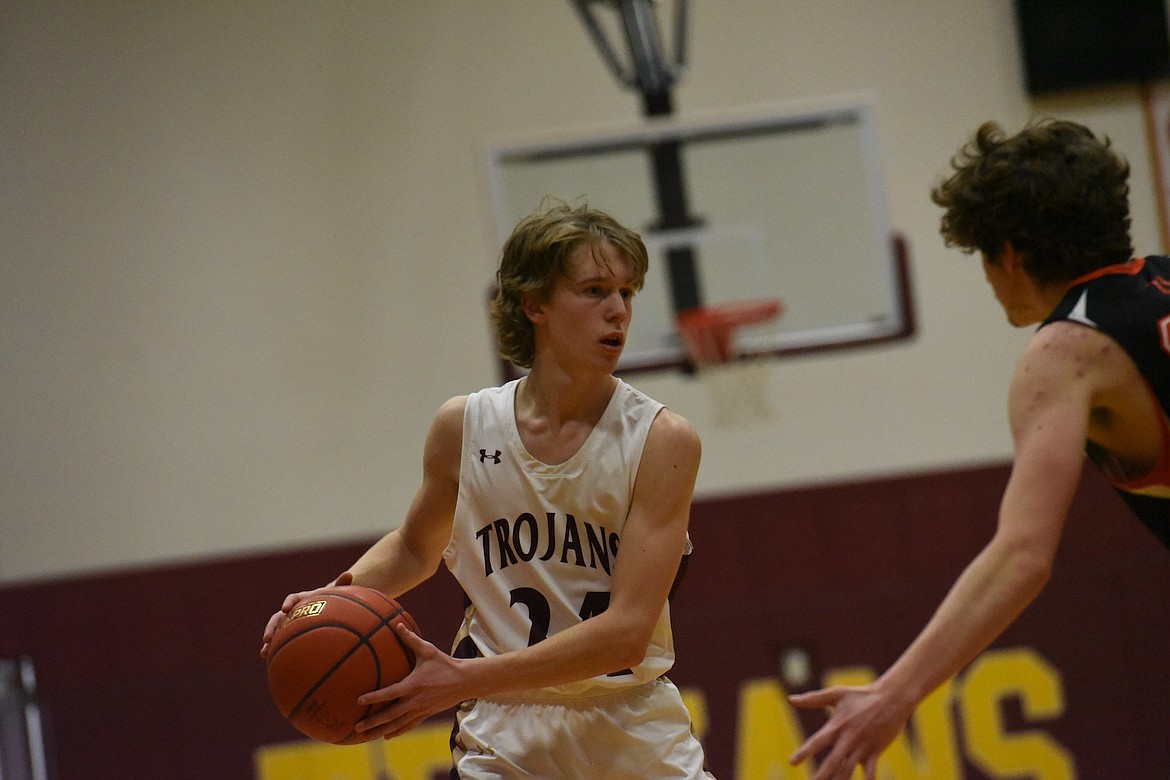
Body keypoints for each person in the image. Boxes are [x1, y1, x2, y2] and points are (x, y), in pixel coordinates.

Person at [261, 201, 714, 778]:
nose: (618, 311)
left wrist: (460, 679)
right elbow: (415, 548)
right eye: (595, 290)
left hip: (631, 727)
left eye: (627, 292)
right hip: (504, 734)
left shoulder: (662, 440)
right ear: (535, 305)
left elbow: (626, 635)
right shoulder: (465, 427)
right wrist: (321, 604)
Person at [787, 118, 1170, 780]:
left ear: (1011, 252)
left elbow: (1023, 555)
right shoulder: (1161, 278)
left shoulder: (1064, 352)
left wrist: (894, 692)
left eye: (982, 256)